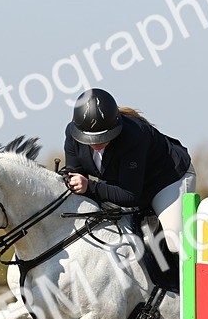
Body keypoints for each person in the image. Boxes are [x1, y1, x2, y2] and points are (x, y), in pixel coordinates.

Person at [63, 88, 195, 253]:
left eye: (102, 137)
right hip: (122, 183)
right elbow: (76, 176)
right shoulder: (73, 134)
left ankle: (182, 278)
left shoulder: (133, 136)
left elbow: (130, 195)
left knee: (173, 241)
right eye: (90, 138)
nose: (95, 143)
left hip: (167, 179)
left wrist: (89, 186)